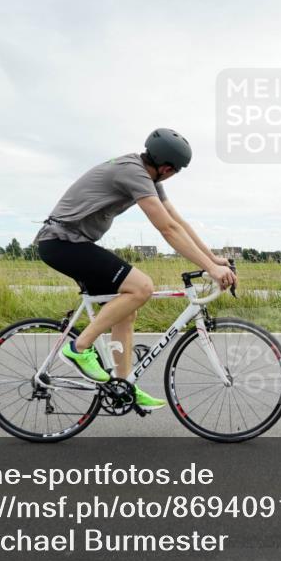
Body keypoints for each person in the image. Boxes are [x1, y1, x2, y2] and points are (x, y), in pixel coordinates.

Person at [35, 128, 238, 411]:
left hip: (73, 243)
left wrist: (212, 259)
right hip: (61, 242)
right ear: (167, 168)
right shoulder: (133, 172)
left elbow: (177, 221)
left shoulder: (147, 174)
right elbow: (167, 229)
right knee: (142, 287)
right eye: (176, 171)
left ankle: (123, 385)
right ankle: (78, 349)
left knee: (127, 310)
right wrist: (211, 269)